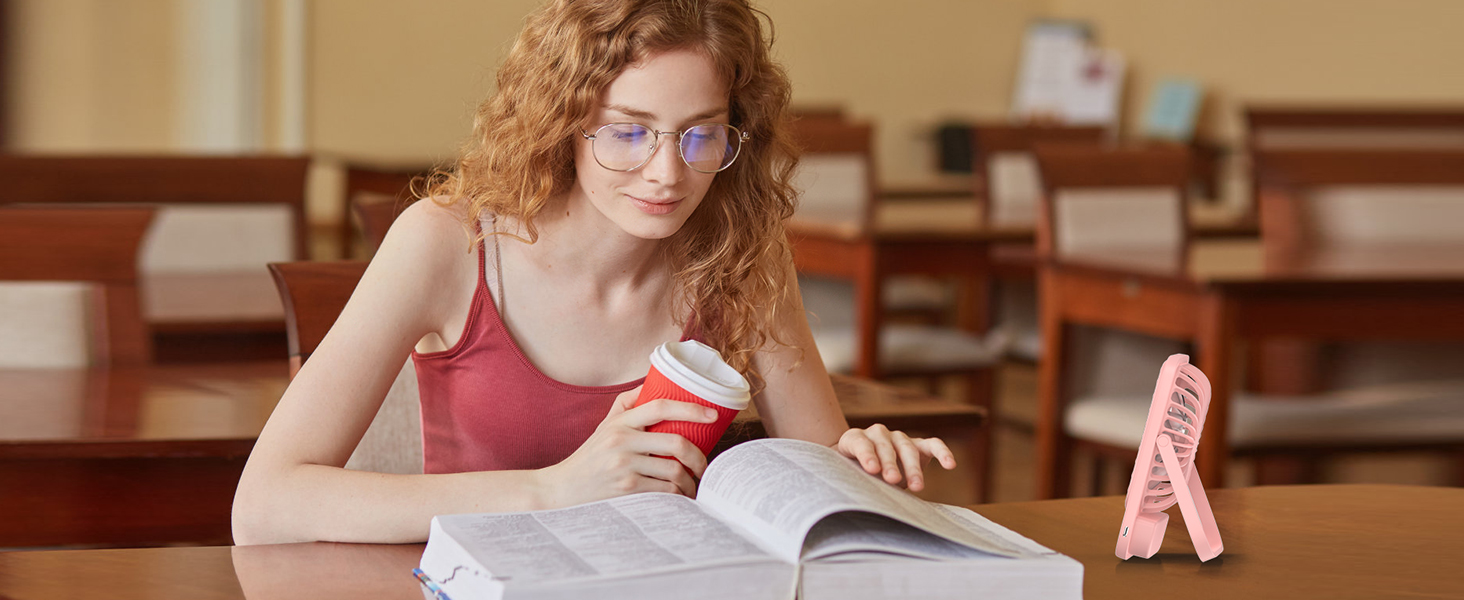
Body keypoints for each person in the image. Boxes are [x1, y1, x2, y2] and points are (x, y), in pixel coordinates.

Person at [232, 0, 956, 545]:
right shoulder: (445, 246)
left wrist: (857, 461)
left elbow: (812, 470)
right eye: (628, 131)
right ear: (561, 121)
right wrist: (554, 491)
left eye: (702, 132)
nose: (668, 173)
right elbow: (263, 506)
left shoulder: (742, 253)